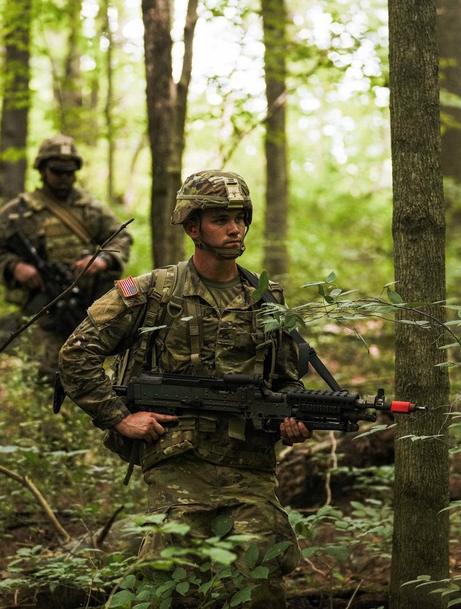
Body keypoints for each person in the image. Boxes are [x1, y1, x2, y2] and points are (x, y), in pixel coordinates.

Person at [58, 170, 312, 607]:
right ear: (192, 226)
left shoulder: (267, 298)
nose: (235, 229)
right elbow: (76, 352)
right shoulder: (152, 291)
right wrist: (119, 418)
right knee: (164, 585)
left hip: (250, 468)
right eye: (220, 219)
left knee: (257, 585)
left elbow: (285, 381)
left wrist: (291, 420)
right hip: (179, 464)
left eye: (240, 218)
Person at [0, 134, 133, 377]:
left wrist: (102, 261)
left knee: (90, 363)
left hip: (84, 303)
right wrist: (14, 266)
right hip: (39, 306)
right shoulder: (18, 212)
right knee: (42, 371)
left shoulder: (90, 209)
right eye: (57, 171)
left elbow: (121, 237)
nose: (64, 178)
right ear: (42, 169)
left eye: (70, 172)